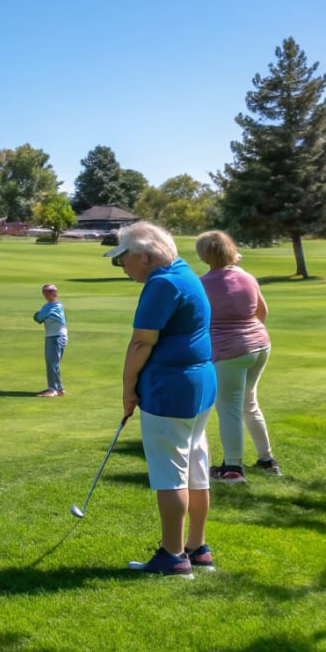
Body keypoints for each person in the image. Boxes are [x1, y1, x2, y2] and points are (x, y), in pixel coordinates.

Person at [104, 222, 217, 577]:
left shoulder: (161, 283)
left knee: (170, 472)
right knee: (195, 467)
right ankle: (196, 548)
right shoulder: (184, 273)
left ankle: (173, 555)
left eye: (122, 258)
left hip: (171, 388)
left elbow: (141, 343)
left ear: (145, 257)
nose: (121, 265)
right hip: (199, 384)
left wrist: (127, 390)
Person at [195, 230, 281, 483]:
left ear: (204, 255)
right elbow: (262, 312)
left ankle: (233, 469)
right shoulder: (247, 277)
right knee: (248, 403)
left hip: (228, 351)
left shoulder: (202, 283)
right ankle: (267, 460)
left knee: (229, 408)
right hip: (259, 346)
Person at [33, 283, 67, 396]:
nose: (47, 294)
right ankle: (56, 388)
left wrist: (39, 315)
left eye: (50, 292)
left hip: (57, 337)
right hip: (51, 336)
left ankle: (54, 389)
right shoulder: (48, 306)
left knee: (53, 363)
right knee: (51, 362)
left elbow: (39, 318)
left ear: (55, 293)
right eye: (45, 292)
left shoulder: (55, 306)